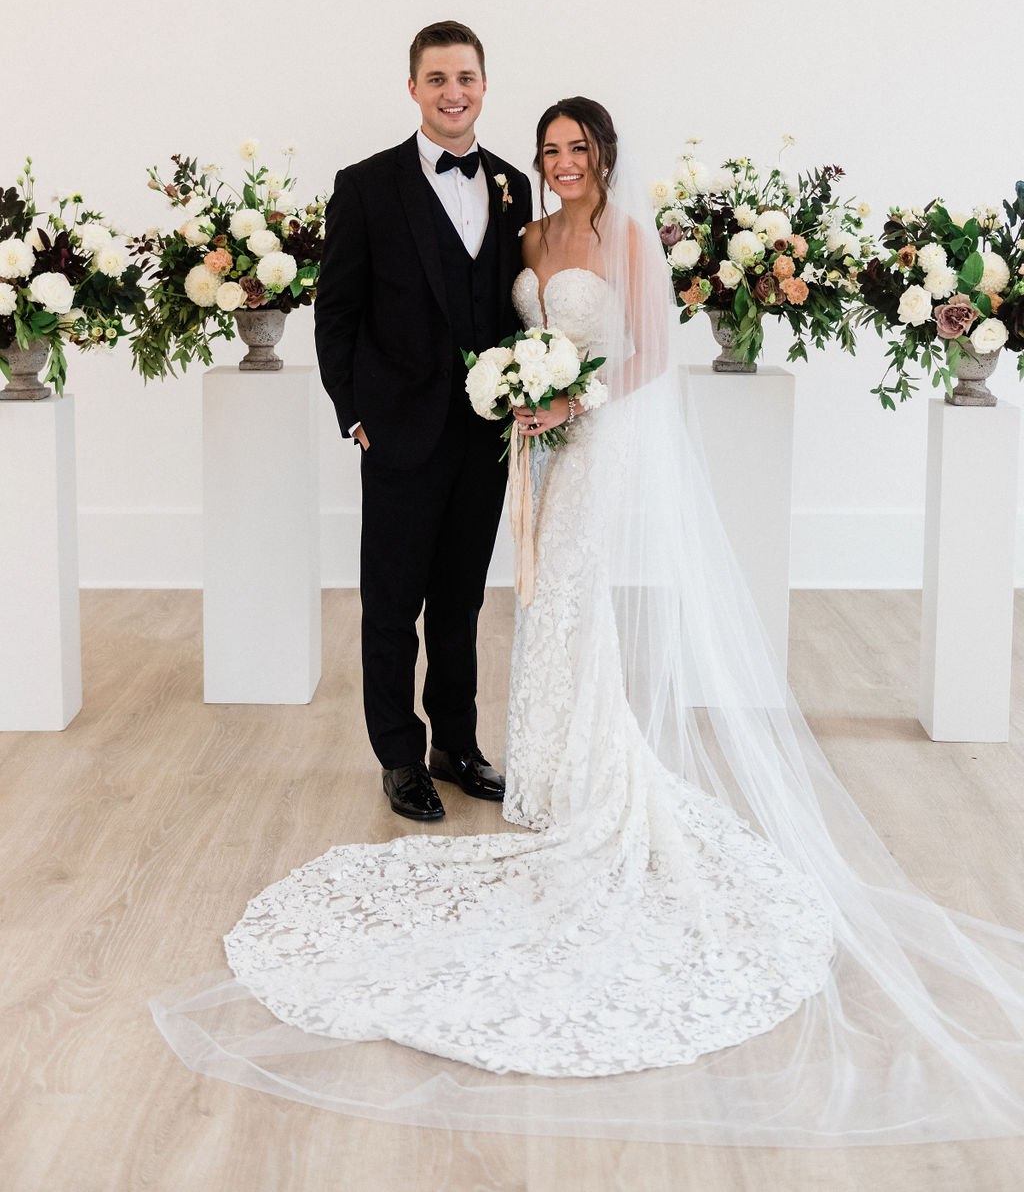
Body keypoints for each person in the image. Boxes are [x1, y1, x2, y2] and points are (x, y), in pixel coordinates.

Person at [153, 99, 1024, 1146]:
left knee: (560, 596)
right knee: (522, 601)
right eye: (551, 147)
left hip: (595, 442)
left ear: (603, 155)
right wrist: (519, 397)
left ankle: (580, 773)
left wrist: (573, 400)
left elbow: (648, 352)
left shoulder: (621, 234)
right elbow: (482, 319)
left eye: (578, 148)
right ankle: (524, 764)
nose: (562, 161)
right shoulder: (523, 227)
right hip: (532, 443)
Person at [313, 21, 532, 820]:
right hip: (399, 432)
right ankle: (399, 756)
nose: (453, 92)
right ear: (413, 88)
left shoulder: (514, 184)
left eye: (466, 77)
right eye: (437, 78)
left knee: (462, 602)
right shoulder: (366, 185)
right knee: (391, 604)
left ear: (484, 85)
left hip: (485, 437)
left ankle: (456, 745)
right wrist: (355, 414)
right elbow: (334, 314)